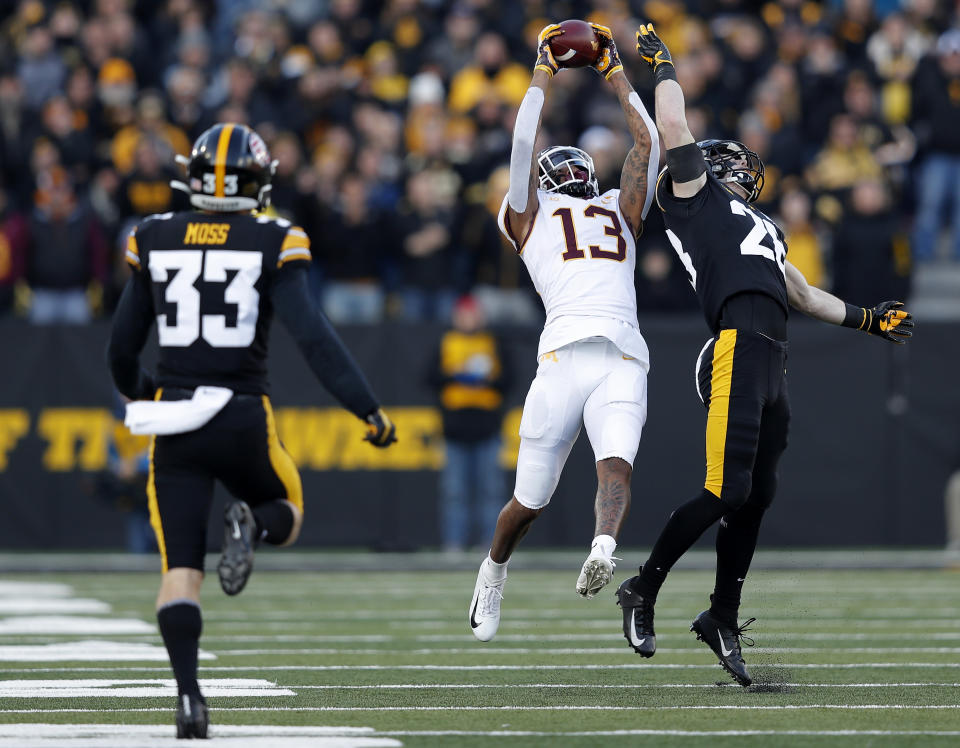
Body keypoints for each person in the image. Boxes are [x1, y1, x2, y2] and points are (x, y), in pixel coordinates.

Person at [616, 25, 914, 687]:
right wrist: (662, 63)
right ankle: (643, 586)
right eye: (739, 168)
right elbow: (670, 120)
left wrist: (868, 319)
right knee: (725, 489)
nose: (750, 175)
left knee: (756, 495)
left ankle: (721, 615)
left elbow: (802, 292)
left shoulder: (765, 228)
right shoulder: (693, 195)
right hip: (734, 346)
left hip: (771, 351)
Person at [106, 123, 397, 738]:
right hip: (241, 414)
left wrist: (143, 391)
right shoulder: (275, 238)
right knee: (286, 505)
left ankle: (189, 701)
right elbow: (313, 337)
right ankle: (253, 525)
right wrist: (365, 406)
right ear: (257, 181)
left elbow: (121, 348)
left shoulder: (154, 234)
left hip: (176, 418)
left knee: (179, 571)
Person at [468, 23, 660, 642]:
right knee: (530, 502)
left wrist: (612, 71)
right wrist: (543, 74)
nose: (575, 171)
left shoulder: (616, 209)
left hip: (621, 354)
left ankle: (604, 546)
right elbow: (524, 144)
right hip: (561, 356)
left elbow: (648, 144)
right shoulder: (528, 216)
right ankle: (493, 571)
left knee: (616, 468)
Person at [429, 294, 511, 551]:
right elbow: (429, 377)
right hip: (455, 429)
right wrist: (456, 377)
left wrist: (485, 381)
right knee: (455, 492)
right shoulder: (446, 341)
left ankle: (492, 544)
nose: (468, 319)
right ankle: (454, 542)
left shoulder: (493, 342)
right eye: (464, 314)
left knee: (490, 492)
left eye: (472, 314)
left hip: (487, 428)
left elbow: (509, 379)